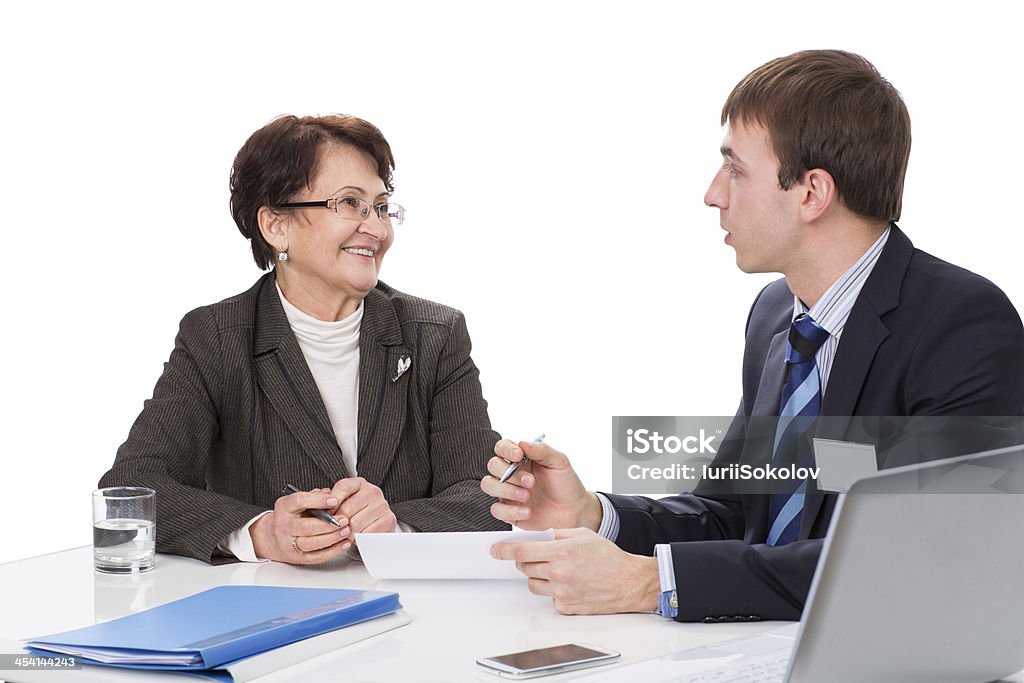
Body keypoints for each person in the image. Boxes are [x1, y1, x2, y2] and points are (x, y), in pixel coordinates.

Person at [482, 50, 1024, 621]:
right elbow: (736, 514)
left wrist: (655, 582)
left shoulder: (961, 324)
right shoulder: (774, 316)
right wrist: (593, 515)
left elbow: (930, 555)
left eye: (735, 169)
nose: (713, 194)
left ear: (812, 193)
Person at [100, 114, 506, 566]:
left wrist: (395, 526)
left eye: (381, 206)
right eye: (350, 203)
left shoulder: (434, 333)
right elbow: (134, 487)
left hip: (411, 607)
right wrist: (260, 533)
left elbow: (486, 495)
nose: (376, 227)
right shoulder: (217, 338)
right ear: (276, 226)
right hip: (268, 610)